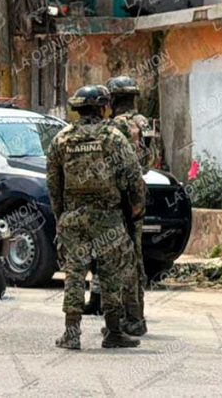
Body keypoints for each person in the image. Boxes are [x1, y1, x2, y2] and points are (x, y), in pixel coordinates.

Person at [46, 85, 145, 350]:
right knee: (112, 275)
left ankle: (72, 333)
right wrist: (136, 209)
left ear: (78, 109)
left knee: (75, 275)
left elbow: (54, 187)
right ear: (102, 108)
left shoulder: (61, 140)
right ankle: (113, 331)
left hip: (73, 219)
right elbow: (134, 177)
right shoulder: (113, 137)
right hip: (109, 219)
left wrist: (61, 217)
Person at [107, 75, 153, 336]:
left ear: (113, 99)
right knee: (135, 257)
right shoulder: (143, 122)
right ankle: (137, 316)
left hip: (118, 197)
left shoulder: (114, 126)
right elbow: (152, 158)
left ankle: (128, 317)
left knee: (118, 259)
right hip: (139, 195)